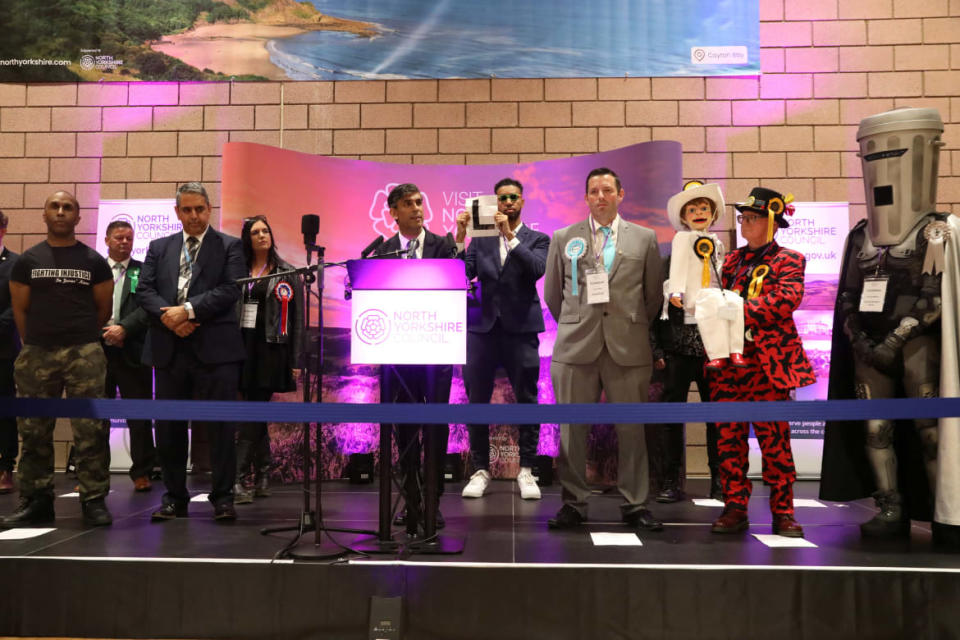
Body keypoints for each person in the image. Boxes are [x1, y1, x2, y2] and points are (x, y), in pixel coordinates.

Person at [820, 107, 948, 539]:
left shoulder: (937, 231)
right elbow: (847, 296)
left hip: (916, 344)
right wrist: (858, 338)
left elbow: (935, 299)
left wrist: (897, 338)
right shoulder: (861, 234)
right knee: (875, 430)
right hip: (869, 346)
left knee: (930, 432)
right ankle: (889, 507)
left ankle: (942, 512)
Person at [543, 167, 664, 532]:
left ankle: (635, 504)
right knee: (571, 431)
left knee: (632, 431)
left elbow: (653, 296)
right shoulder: (564, 237)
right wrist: (578, 321)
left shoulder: (644, 238)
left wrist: (625, 323)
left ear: (620, 195)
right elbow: (552, 295)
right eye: (593, 191)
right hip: (575, 348)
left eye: (607, 190)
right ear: (586, 197)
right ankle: (573, 503)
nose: (600, 197)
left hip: (628, 348)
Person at [1, 191, 114, 527]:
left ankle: (93, 500)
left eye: (68, 208)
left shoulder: (93, 261)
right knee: (33, 431)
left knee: (90, 430)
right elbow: (20, 311)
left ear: (78, 217)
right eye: (55, 206)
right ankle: (36, 500)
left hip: (85, 352)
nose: (61, 212)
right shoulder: (27, 261)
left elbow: (103, 310)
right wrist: (38, 341)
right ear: (45, 214)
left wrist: (78, 339)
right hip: (37, 353)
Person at [709, 186, 815, 538]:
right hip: (729, 366)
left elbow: (785, 300)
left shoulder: (791, 260)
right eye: (742, 218)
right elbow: (715, 303)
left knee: (775, 443)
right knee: (729, 440)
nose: (744, 223)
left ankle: (783, 512)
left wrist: (735, 310)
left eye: (752, 218)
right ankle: (734, 506)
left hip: (769, 365)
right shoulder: (730, 261)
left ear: (771, 221)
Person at [137, 182, 246, 521]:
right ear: (177, 212)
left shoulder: (230, 246)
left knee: (221, 428)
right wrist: (170, 318)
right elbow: (145, 290)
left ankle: (224, 497)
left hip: (216, 350)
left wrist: (187, 310)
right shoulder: (159, 247)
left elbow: (230, 289)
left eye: (200, 209)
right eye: (187, 210)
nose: (194, 215)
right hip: (170, 348)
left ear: (209, 209)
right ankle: (174, 497)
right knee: (169, 429)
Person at [454, 178, 550, 500]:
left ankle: (527, 469)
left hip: (521, 329)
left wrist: (509, 236)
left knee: (527, 399)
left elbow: (536, 270)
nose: (507, 203)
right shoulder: (479, 242)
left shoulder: (538, 239)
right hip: (481, 328)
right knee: (476, 400)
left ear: (522, 202)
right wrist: (460, 236)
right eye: (501, 199)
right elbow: (459, 274)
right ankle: (481, 469)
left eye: (512, 198)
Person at [371, 183, 456, 536]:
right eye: (408, 204)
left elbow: (457, 286)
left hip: (436, 353)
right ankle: (412, 501)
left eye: (420, 202)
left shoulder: (443, 246)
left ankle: (432, 502)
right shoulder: (382, 251)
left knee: (435, 428)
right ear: (393, 211)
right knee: (405, 431)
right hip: (399, 359)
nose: (417, 209)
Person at [652, 182, 734, 502]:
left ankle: (719, 478)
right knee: (672, 416)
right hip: (677, 345)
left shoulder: (721, 251)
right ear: (683, 217)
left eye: (703, 209)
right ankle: (671, 480)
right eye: (692, 210)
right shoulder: (669, 259)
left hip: (712, 344)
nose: (698, 214)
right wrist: (658, 348)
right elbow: (652, 309)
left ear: (712, 214)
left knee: (716, 415)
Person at [234, 215, 303, 504]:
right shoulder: (237, 269)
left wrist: (296, 359)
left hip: (271, 348)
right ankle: (262, 475)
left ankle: (237, 478)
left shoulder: (286, 272)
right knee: (256, 411)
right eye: (255, 232)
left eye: (266, 230)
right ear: (247, 239)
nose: (262, 235)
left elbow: (297, 320)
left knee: (253, 410)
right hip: (241, 346)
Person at [100, 220, 157, 492]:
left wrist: (124, 329)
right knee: (97, 415)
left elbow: (148, 308)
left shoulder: (143, 272)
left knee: (139, 414)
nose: (124, 242)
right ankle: (94, 472)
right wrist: (104, 333)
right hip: (97, 352)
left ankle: (142, 472)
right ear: (107, 240)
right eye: (119, 237)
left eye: (129, 238)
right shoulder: (95, 270)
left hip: (132, 350)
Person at [0, 210, 19, 495]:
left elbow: (17, 307)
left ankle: (5, 466)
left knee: (4, 411)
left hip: (2, 349)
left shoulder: (16, 264)